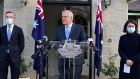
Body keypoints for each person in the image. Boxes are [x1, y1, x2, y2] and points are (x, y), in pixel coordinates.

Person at [54, 10, 86, 79]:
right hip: (63, 60)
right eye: (62, 17)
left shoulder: (79, 28)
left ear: (71, 18)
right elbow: (54, 42)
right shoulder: (59, 29)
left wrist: (78, 46)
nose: (63, 18)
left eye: (65, 17)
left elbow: (84, 40)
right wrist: (61, 49)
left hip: (76, 60)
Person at [0, 11, 25, 79]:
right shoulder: (1, 29)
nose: (9, 18)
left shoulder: (19, 30)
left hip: (15, 56)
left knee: (15, 75)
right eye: (7, 17)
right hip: (3, 56)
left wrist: (17, 53)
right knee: (2, 75)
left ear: (14, 19)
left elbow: (21, 44)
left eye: (11, 17)